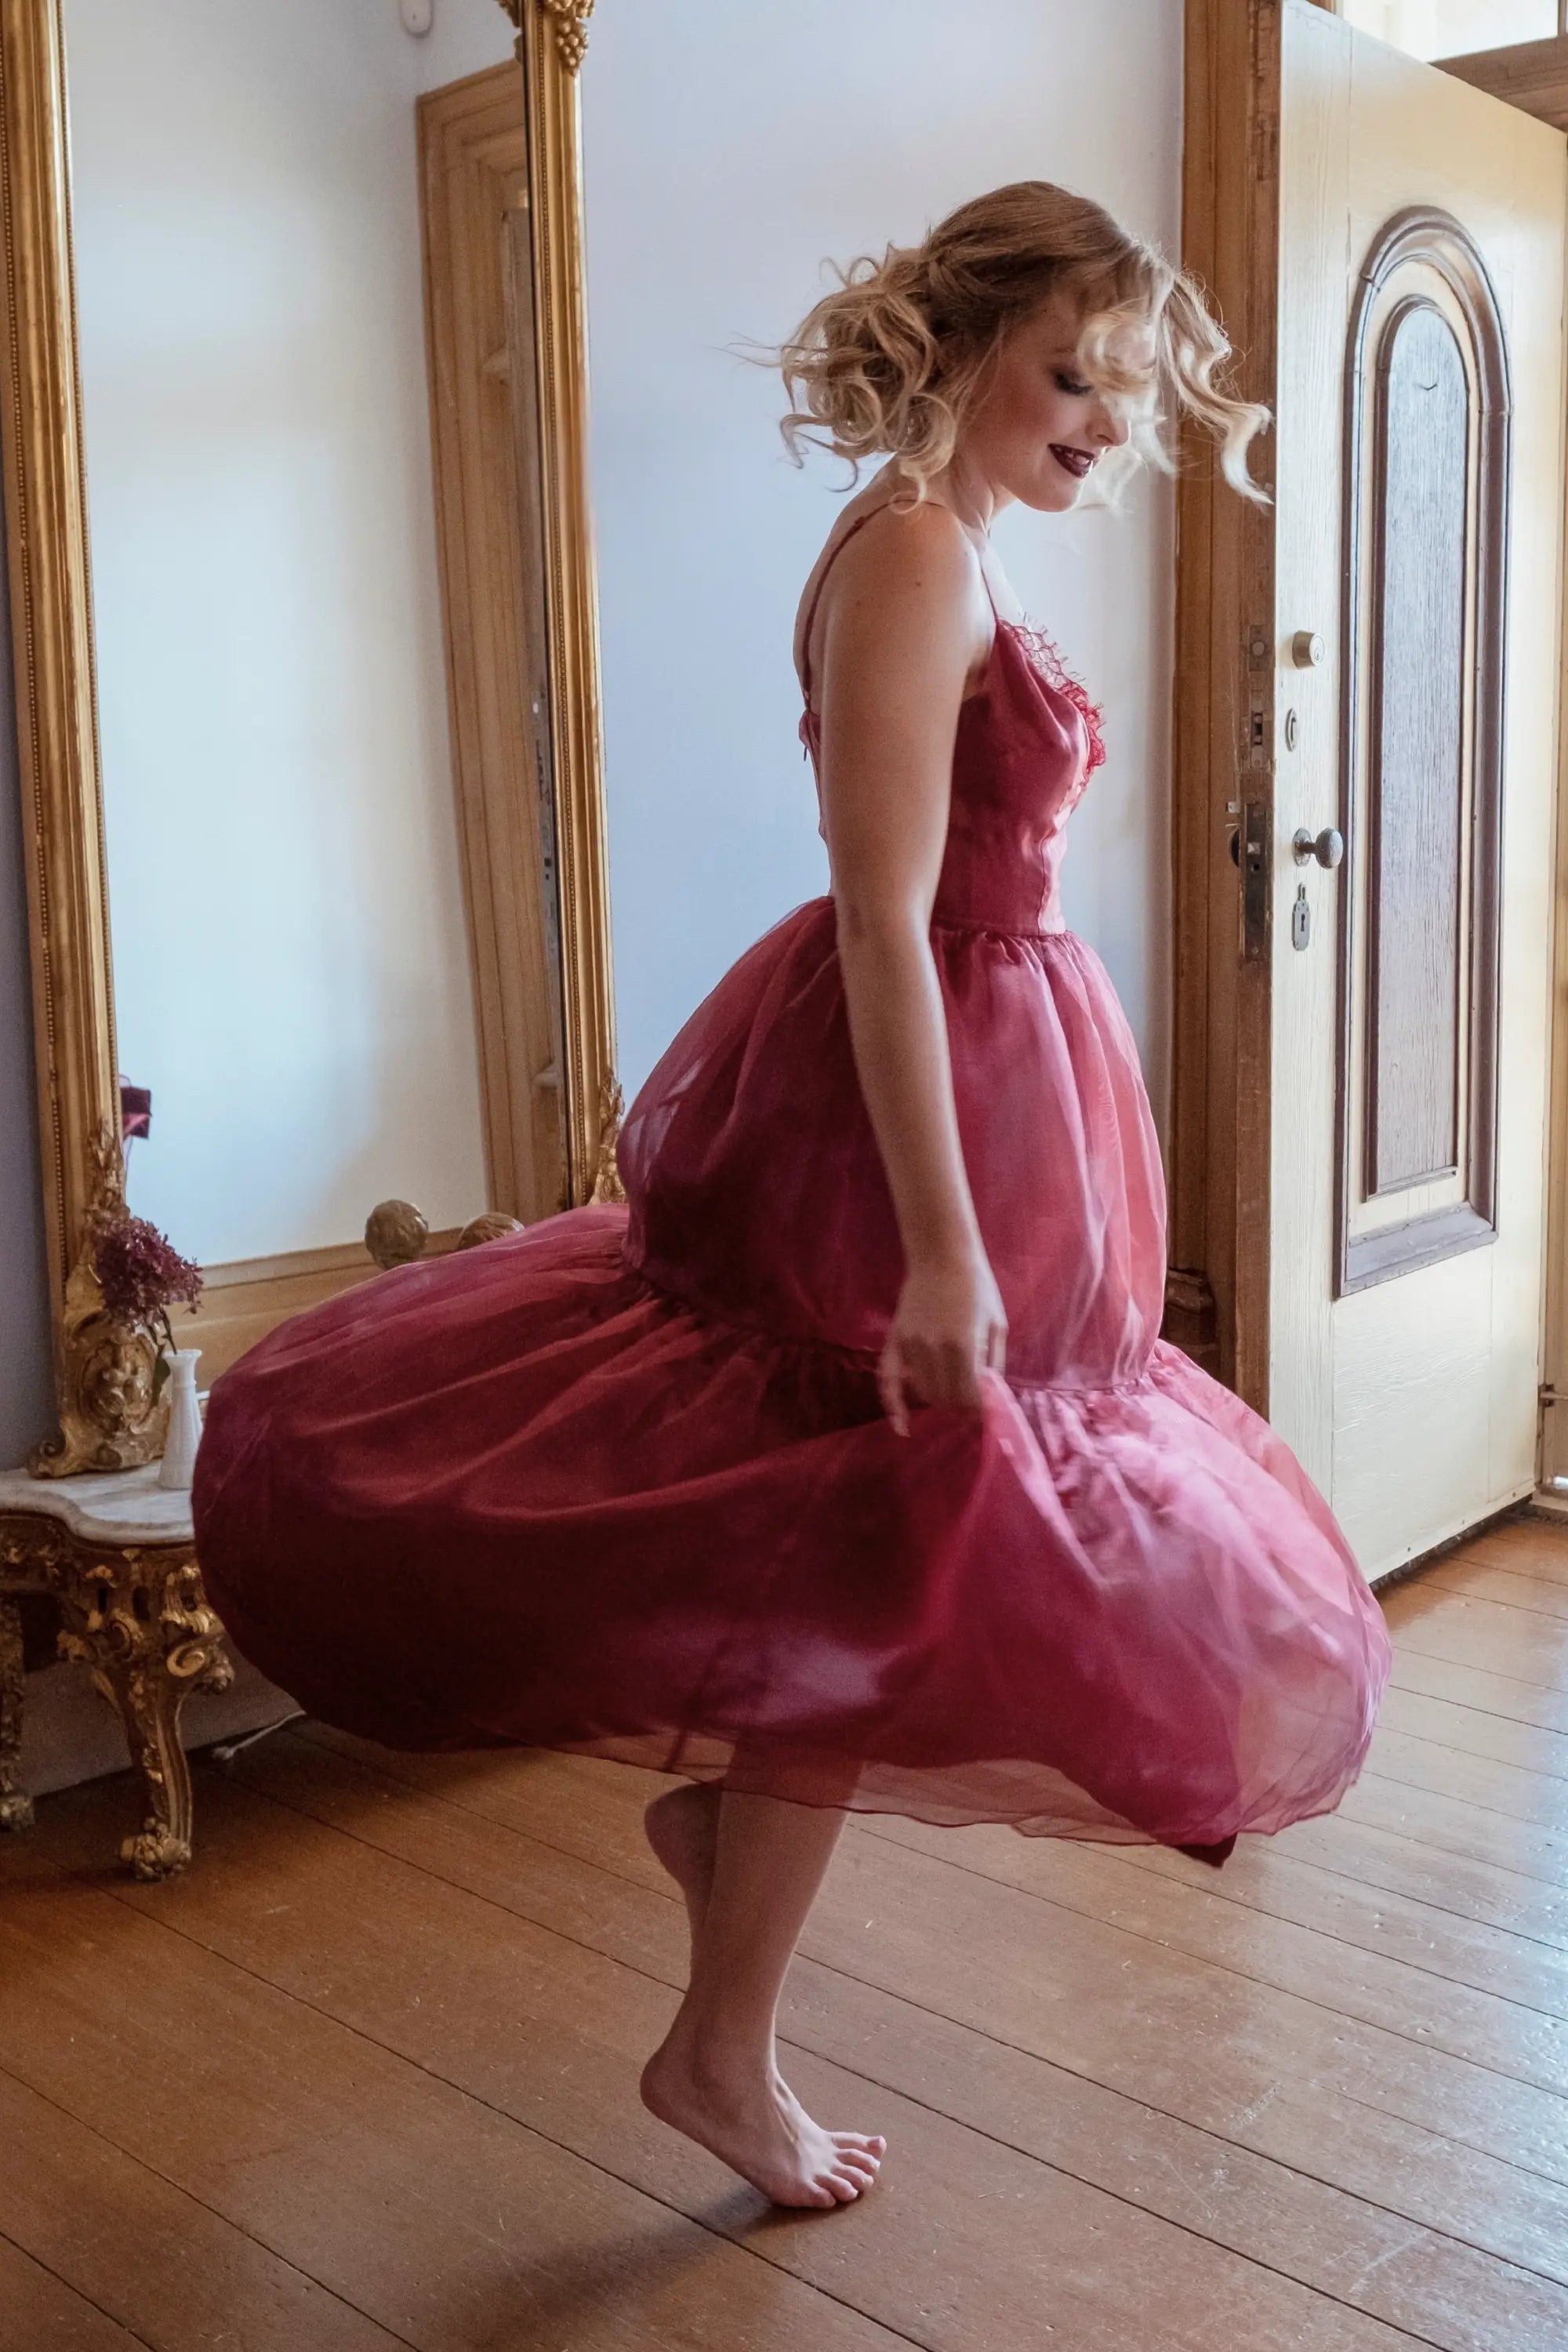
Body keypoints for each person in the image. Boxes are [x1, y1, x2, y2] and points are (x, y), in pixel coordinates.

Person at [193, 183, 1392, 2214]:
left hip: (994, 1096)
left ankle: (729, 1928)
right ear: (965, 348)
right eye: (1071, 373)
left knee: (873, 1548)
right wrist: (940, 1244)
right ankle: (721, 2046)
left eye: (1121, 380)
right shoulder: (915, 551)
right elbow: (881, 923)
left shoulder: (951, 540)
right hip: (903, 1123)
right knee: (875, 1529)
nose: (1107, 420)